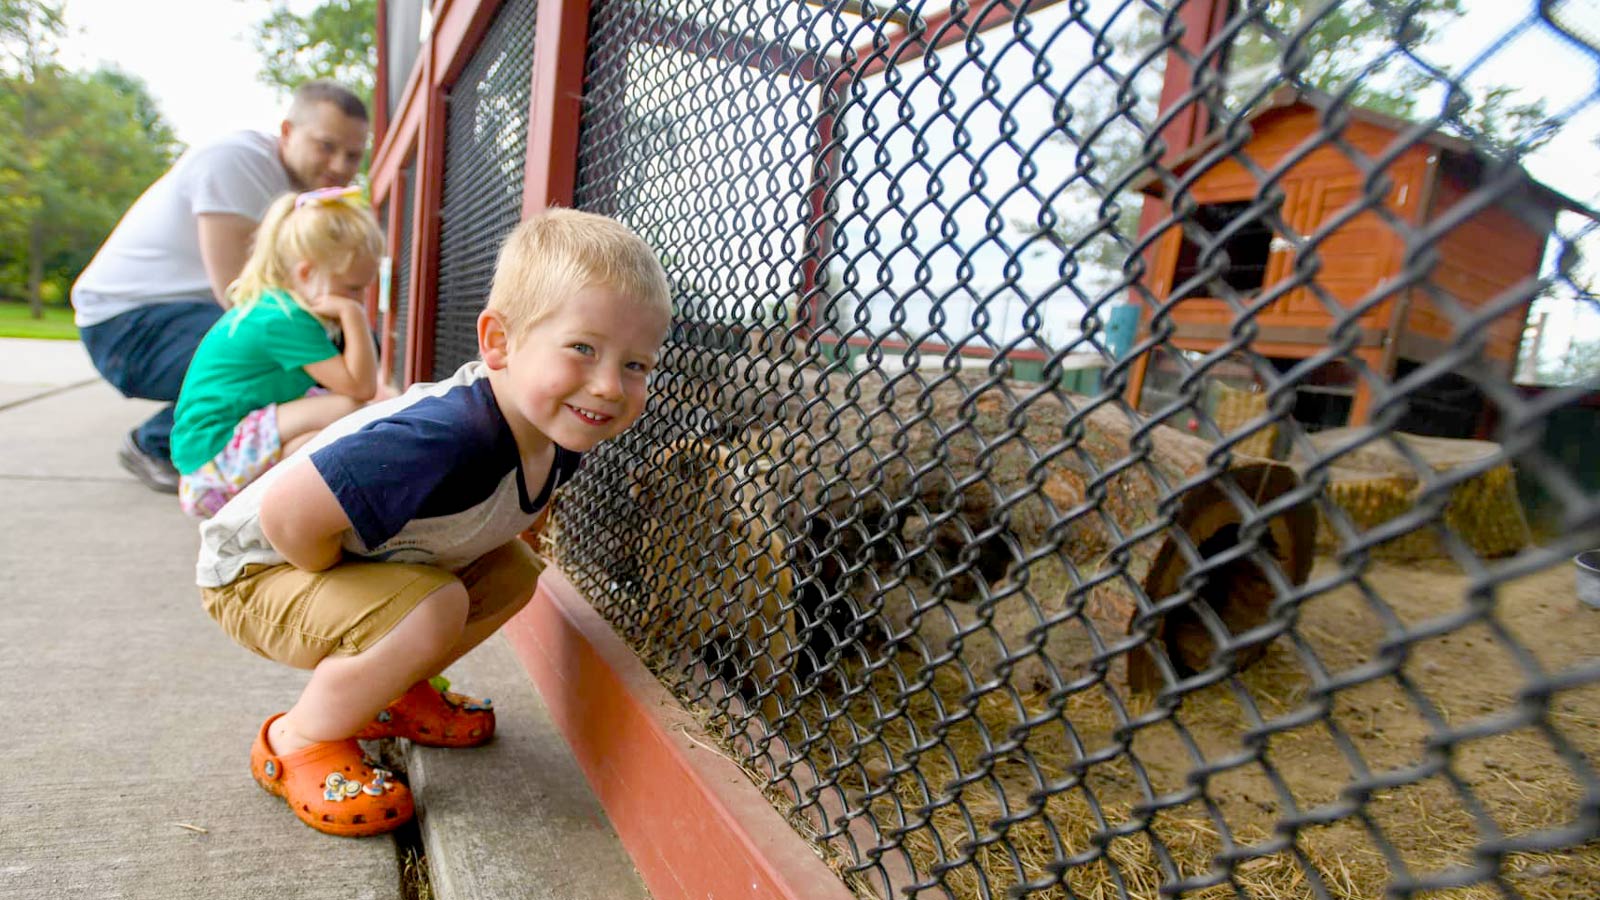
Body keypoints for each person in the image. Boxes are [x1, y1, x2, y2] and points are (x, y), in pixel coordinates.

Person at [193, 209, 673, 837]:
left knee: (512, 571)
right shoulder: (447, 437)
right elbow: (287, 513)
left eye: (636, 365)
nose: (610, 385)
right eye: (583, 348)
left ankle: (388, 694)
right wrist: (347, 587)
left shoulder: (561, 430)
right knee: (431, 608)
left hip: (335, 559)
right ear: (498, 343)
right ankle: (298, 738)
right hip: (255, 573)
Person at [72, 80, 369, 494]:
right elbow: (237, 292)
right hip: (127, 324)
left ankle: (248, 448)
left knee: (316, 349)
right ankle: (161, 445)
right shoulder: (238, 162)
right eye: (326, 146)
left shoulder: (307, 197)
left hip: (182, 313)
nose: (339, 165)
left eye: (353, 155)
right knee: (284, 347)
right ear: (286, 132)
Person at [170, 187, 384, 519]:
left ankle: (277, 515)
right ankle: (284, 517)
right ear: (306, 273)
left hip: (211, 464)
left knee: (318, 441)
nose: (358, 298)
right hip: (213, 463)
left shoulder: (276, 307)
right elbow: (360, 388)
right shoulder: (283, 320)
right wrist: (353, 316)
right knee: (347, 410)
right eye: (353, 287)